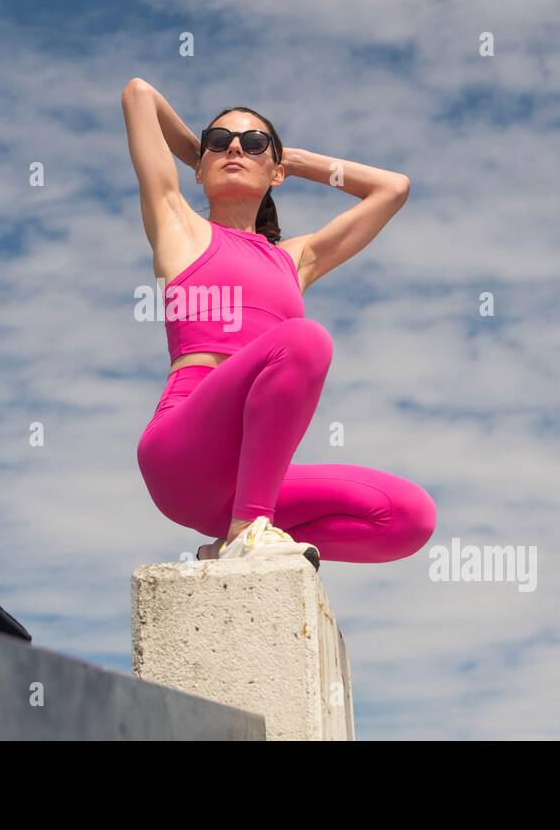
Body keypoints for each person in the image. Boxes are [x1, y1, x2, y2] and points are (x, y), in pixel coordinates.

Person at [122, 77, 436, 569]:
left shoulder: (296, 259)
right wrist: (201, 158)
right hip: (183, 451)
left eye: (252, 143)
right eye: (219, 141)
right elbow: (140, 95)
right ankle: (250, 530)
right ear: (199, 165)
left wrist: (292, 159)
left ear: (276, 170)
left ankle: (239, 538)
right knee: (304, 340)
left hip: (255, 477)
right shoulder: (178, 225)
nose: (234, 149)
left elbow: (392, 188)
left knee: (408, 517)